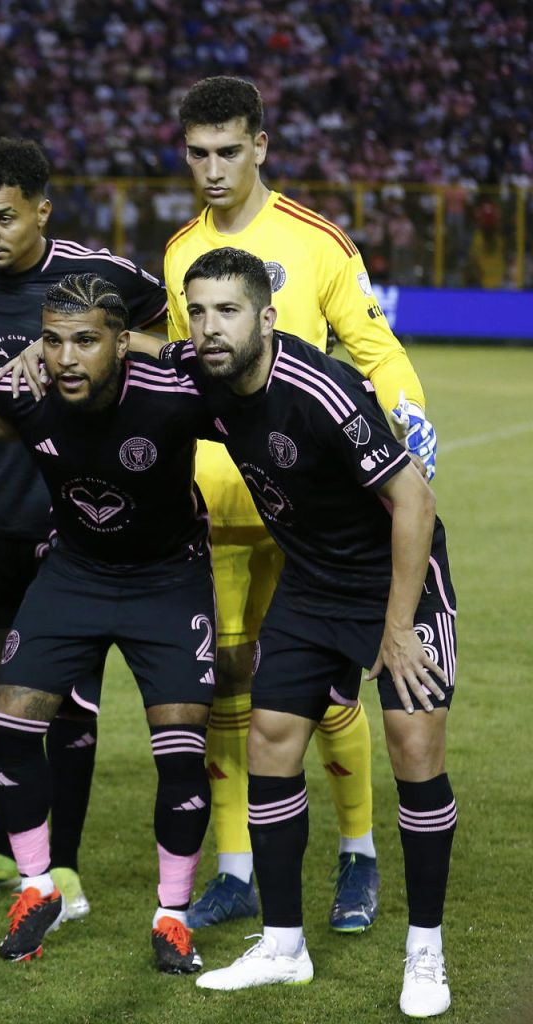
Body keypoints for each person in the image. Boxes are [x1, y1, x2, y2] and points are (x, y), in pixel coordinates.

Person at [163, 76, 437, 931]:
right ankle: (239, 864)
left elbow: (373, 347)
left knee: (322, 691)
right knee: (228, 685)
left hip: (318, 511)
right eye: (198, 153)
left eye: (228, 152)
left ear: (261, 148)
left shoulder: (317, 240)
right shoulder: (180, 254)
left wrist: (411, 420)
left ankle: (356, 855)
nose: (212, 169)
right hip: (221, 501)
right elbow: (185, 365)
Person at [179, 249, 455, 1018]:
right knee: (269, 736)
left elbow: (415, 503)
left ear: (267, 317)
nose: (209, 327)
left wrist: (396, 631)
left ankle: (425, 951)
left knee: (415, 751)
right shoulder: (205, 366)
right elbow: (131, 348)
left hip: (397, 580)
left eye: (227, 311)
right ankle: (282, 945)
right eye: (197, 311)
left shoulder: (322, 391)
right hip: (311, 581)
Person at [0, 138, 168, 910]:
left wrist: (65, 360)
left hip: (81, 520)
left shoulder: (105, 277)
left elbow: (169, 347)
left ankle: (65, 867)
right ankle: (7, 852)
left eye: (3, 217)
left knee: (67, 698)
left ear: (42, 211)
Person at [0, 274, 217, 974]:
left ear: (122, 343)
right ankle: (38, 889)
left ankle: (173, 918)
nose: (66, 358)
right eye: (53, 340)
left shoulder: (171, 395)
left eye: (86, 341)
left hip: (169, 579)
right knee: (8, 726)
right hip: (74, 572)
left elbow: (256, 410)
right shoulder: (25, 392)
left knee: (182, 754)